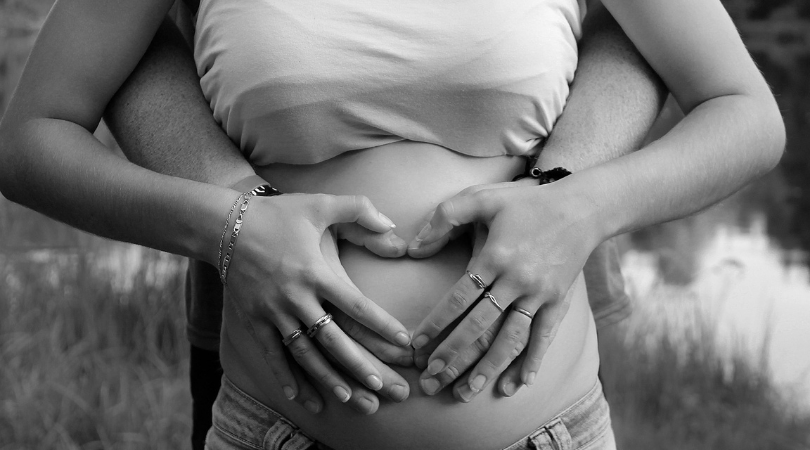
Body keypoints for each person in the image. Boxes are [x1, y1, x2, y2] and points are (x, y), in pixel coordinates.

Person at [0, 0, 784, 448]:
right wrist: (229, 225)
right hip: (278, 430)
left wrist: (581, 206)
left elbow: (744, 114)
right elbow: (33, 139)